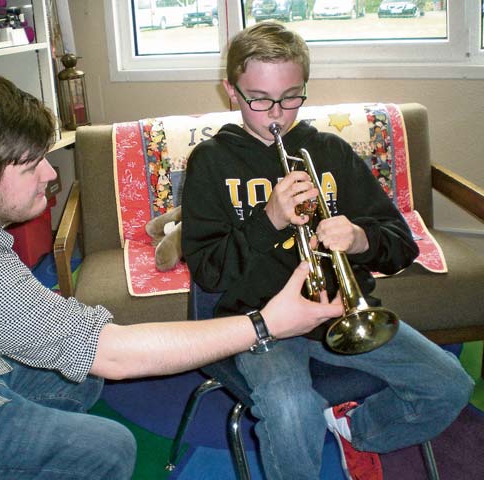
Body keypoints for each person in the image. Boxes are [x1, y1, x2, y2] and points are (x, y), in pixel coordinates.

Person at [0, 75, 344, 480]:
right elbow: (115, 353)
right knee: (108, 448)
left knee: (81, 376)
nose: (50, 175)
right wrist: (265, 324)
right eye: (31, 165)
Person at [181, 21, 474, 480]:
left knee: (449, 384)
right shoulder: (211, 161)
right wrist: (268, 219)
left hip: (342, 313)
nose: (276, 114)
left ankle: (355, 431)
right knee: (291, 408)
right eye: (259, 99)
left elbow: (400, 245)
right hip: (261, 325)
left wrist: (360, 238)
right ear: (231, 92)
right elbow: (209, 272)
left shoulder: (330, 152)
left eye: (290, 97)